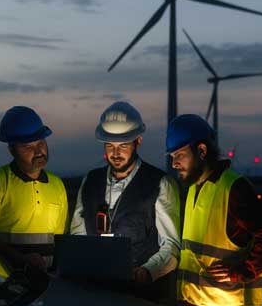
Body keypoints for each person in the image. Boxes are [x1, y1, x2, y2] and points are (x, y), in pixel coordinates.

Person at [166, 114, 262, 306]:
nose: (174, 163)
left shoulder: (233, 188)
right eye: (172, 156)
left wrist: (243, 271)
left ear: (202, 151)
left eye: (179, 155)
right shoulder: (193, 189)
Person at [70, 101, 180, 292]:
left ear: (138, 141)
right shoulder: (90, 181)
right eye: (110, 146)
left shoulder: (160, 183)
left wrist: (147, 271)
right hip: (95, 292)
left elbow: (170, 247)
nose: (115, 153)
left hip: (142, 298)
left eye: (123, 145)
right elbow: (77, 235)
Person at [0, 106, 68, 273]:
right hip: (8, 278)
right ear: (12, 150)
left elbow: (61, 239)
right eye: (28, 147)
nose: (38, 152)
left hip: (49, 280)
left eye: (41, 143)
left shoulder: (57, 184)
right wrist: (19, 259)